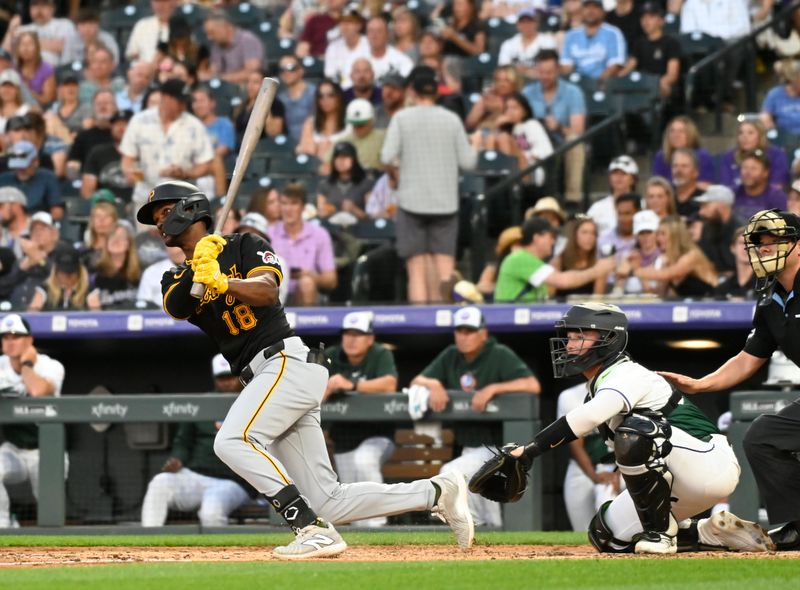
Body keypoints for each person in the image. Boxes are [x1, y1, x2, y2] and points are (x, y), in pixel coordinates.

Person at [136, 179, 475, 557]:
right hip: (263, 378)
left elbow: (267, 291)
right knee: (328, 499)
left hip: (286, 362)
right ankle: (437, 492)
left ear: (190, 208)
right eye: (156, 219)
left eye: (166, 212)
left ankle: (309, 528)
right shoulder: (176, 276)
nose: (160, 224)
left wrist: (224, 281)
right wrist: (203, 270)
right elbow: (180, 306)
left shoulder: (246, 244)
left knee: (231, 440)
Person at [474, 302, 774, 554]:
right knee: (605, 536)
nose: (570, 343)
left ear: (609, 339)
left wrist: (529, 451)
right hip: (679, 475)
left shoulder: (625, 372)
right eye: (569, 336)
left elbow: (589, 417)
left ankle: (662, 535)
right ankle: (706, 532)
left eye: (580, 335)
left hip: (708, 461)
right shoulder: (598, 384)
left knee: (634, 432)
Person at [659, 208, 800, 550]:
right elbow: (749, 357)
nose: (764, 249)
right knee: (763, 437)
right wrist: (701, 384)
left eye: (773, 241)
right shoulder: (769, 297)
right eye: (758, 243)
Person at [410, 306, 540, 527]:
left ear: (483, 334)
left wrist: (494, 388)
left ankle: (475, 525)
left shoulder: (498, 353)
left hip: (496, 446)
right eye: (460, 330)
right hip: (469, 445)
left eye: (469, 331)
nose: (464, 336)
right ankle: (490, 532)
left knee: (451, 473)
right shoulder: (451, 355)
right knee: (479, 492)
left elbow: (532, 385)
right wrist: (434, 384)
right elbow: (416, 381)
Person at [380, 67, 477, 303]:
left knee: (416, 270)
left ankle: (421, 329)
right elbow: (469, 162)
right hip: (445, 203)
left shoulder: (401, 118)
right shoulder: (452, 120)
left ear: (412, 91)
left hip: (412, 202)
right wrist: (477, 144)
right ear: (436, 93)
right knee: (445, 270)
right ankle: (444, 324)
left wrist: (400, 165)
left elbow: (385, 156)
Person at [141, 353, 253, 527]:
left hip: (233, 482)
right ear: (215, 379)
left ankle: (219, 554)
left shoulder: (255, 401)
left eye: (231, 377)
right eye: (221, 378)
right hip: (195, 476)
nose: (227, 382)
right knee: (159, 483)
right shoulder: (202, 403)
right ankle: (147, 545)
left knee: (212, 511)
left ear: (240, 376)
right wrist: (178, 459)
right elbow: (183, 442)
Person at [324, 311, 398, 528]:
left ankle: (377, 524)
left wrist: (352, 385)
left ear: (370, 338)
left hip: (378, 435)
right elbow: (310, 389)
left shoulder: (380, 354)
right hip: (343, 439)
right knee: (351, 497)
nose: (351, 339)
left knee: (364, 461)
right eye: (348, 333)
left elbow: (389, 384)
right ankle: (364, 543)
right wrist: (325, 387)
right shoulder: (331, 355)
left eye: (358, 334)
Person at [0, 313, 67, 528]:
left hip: (46, 450)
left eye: (16, 337)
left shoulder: (51, 366)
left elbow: (38, 391)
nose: (10, 342)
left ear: (29, 340)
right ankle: (3, 527)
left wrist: (27, 364)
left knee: (50, 508)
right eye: (5, 337)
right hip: (14, 449)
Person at [120, 79, 214, 218]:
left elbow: (205, 164)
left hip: (181, 201)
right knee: (145, 240)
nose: (183, 106)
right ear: (164, 97)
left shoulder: (194, 125)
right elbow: (128, 158)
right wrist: (131, 173)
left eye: (185, 102)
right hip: (146, 199)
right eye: (179, 101)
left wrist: (185, 172)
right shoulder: (140, 121)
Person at [494, 216, 615, 303]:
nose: (553, 241)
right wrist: (596, 271)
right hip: (513, 327)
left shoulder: (533, 261)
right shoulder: (520, 258)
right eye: (550, 237)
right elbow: (563, 281)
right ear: (537, 238)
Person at [521, 50, 586, 204]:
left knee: (574, 141)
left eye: (549, 72)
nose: (545, 77)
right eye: (541, 72)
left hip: (560, 141)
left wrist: (558, 127)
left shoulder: (573, 92)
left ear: (558, 70)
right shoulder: (527, 92)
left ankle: (573, 198)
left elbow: (578, 130)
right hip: (534, 141)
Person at [557, 382, 621, 531]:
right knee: (581, 529)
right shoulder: (570, 395)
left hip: (621, 467)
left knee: (611, 515)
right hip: (582, 468)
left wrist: (617, 473)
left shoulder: (625, 389)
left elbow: (631, 439)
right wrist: (594, 476)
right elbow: (574, 442)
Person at [267, 182, 337, 306]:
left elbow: (331, 280)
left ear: (303, 207)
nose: (288, 209)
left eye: (294, 203)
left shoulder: (319, 234)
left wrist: (311, 275)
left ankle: (306, 323)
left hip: (307, 292)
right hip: (275, 291)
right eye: (284, 203)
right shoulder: (269, 233)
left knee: (306, 283)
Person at [628, 216, 718, 298]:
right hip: (692, 307)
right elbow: (660, 294)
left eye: (663, 234)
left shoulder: (691, 255)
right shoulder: (668, 261)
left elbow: (669, 273)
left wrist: (638, 270)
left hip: (715, 305)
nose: (658, 238)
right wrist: (638, 270)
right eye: (658, 234)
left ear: (675, 235)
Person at [619, 2, 680, 99]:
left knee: (663, 88)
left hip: (660, 84)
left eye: (651, 17)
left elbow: (672, 75)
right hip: (641, 84)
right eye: (643, 17)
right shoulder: (639, 43)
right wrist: (616, 80)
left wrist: (655, 84)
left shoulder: (670, 43)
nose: (646, 21)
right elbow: (630, 66)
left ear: (661, 21)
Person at [560, 0, 627, 81]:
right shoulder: (571, 35)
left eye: (595, 7)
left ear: (603, 11)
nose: (590, 11)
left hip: (604, 85)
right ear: (582, 11)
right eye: (587, 7)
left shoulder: (613, 33)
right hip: (577, 84)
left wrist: (597, 84)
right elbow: (566, 66)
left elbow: (615, 65)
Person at [719, 119, 789, 192]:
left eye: (750, 133)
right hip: (736, 199)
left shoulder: (776, 155)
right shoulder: (729, 156)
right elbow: (725, 186)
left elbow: (778, 184)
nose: (744, 137)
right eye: (740, 133)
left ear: (761, 136)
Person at [2, 0, 77, 67]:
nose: (39, 9)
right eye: (35, 5)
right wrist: (10, 31)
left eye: (44, 4)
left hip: (58, 70)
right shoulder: (23, 29)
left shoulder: (65, 24)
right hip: (25, 72)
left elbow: (62, 46)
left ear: (53, 8)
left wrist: (24, 45)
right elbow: (4, 55)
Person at [0, 139, 62, 219]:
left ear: (35, 161)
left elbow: (57, 211)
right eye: (17, 166)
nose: (20, 169)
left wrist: (41, 221)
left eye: (24, 166)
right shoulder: (3, 179)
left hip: (38, 224)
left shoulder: (47, 177)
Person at [86, 221, 142, 310]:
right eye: (112, 237)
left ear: (128, 244)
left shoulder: (140, 271)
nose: (116, 240)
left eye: (121, 237)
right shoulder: (95, 271)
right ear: (106, 243)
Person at [200, 10, 263, 85]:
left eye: (212, 32)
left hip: (246, 88)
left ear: (226, 26)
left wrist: (220, 78)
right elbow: (214, 70)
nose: (209, 37)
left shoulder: (248, 40)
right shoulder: (216, 46)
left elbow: (251, 73)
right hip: (225, 89)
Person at [551, 216, 606, 298]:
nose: (589, 237)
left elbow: (598, 299)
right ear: (575, 235)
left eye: (593, 233)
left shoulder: (599, 264)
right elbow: (550, 295)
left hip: (588, 309)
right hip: (561, 309)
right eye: (584, 232)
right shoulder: (559, 261)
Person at [317, 141, 373, 220]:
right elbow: (320, 211)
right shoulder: (325, 184)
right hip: (331, 228)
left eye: (345, 157)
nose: (341, 161)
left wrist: (354, 210)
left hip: (359, 228)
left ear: (354, 160)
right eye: (338, 157)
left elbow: (371, 217)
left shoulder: (366, 183)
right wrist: (325, 212)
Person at [651, 116, 716, 185]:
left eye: (681, 131)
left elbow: (705, 185)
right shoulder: (662, 156)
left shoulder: (702, 156)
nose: (676, 135)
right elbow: (656, 185)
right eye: (672, 131)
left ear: (691, 134)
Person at [696, 184, 744, 277]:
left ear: (721, 205)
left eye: (705, 205)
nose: (700, 212)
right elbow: (703, 260)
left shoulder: (741, 230)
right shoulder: (708, 228)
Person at [497, 8, 556, 79]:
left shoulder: (547, 41)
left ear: (536, 23)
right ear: (518, 25)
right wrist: (529, 71)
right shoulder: (509, 44)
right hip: (515, 84)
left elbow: (550, 70)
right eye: (523, 22)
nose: (526, 25)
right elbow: (504, 70)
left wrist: (525, 71)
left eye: (529, 21)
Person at [586, 155, 638, 236]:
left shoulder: (642, 205)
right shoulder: (597, 208)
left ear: (633, 179)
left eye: (623, 173)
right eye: (615, 173)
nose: (619, 177)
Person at [297, 80, 348, 161]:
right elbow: (307, 150)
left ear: (339, 97)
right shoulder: (310, 123)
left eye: (331, 95)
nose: (325, 99)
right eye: (321, 96)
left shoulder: (349, 123)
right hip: (314, 167)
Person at [28, 244, 89, 311]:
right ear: (56, 271)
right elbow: (31, 317)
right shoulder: (44, 290)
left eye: (70, 272)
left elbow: (98, 317)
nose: (66, 276)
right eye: (63, 272)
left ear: (79, 271)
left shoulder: (89, 292)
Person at [733, 150, 788, 222]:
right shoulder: (734, 193)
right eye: (745, 167)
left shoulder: (777, 197)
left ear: (765, 172)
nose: (747, 172)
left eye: (753, 168)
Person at [277, 55, 316, 141]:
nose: (286, 72)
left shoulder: (315, 93)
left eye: (291, 68)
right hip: (288, 146)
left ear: (301, 70)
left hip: (313, 142)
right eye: (282, 69)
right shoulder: (279, 99)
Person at [13, 31, 55, 107]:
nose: (26, 48)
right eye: (22, 44)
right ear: (18, 49)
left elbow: (47, 100)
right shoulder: (13, 69)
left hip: (40, 109)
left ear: (37, 47)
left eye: (29, 44)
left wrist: (27, 90)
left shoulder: (46, 69)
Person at [711, 226, 756, 299]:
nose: (746, 248)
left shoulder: (765, 286)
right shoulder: (722, 289)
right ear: (733, 248)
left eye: (750, 243)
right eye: (742, 243)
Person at [670, 147, 704, 218]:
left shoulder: (703, 200)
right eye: (675, 166)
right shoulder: (665, 197)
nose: (678, 171)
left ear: (695, 172)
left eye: (684, 166)